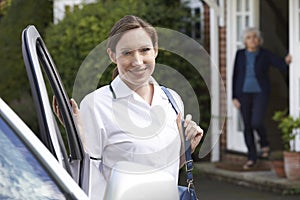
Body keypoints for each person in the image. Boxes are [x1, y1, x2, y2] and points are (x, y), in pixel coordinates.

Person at [54, 15, 203, 199]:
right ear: (112, 55)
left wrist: (187, 148)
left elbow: (165, 170)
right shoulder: (96, 105)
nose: (138, 61)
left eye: (145, 50)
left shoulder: (171, 99)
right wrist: (79, 139)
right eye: (127, 53)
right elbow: (85, 179)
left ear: (155, 51)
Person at [232, 27, 292, 170]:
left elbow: (281, 64)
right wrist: (234, 96)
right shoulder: (240, 54)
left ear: (259, 40)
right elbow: (235, 75)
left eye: (254, 37)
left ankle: (264, 143)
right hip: (243, 94)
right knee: (247, 125)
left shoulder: (265, 54)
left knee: (256, 121)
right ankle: (251, 157)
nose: (252, 40)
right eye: (249, 37)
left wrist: (288, 60)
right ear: (245, 41)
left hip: (260, 93)